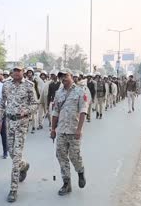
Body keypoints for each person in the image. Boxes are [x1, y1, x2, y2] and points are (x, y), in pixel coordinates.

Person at [0, 63, 38, 203]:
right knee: (10, 151)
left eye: (19, 70)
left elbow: (35, 104)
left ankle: (13, 189)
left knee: (15, 157)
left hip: (21, 123)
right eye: (14, 70)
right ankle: (24, 165)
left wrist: (26, 111)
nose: (16, 73)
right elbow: (2, 103)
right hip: (9, 123)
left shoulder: (29, 85)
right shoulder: (6, 85)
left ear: (23, 72)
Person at [51, 68, 87, 196]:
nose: (63, 78)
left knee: (74, 156)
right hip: (61, 130)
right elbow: (55, 111)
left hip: (73, 130)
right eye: (61, 76)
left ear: (71, 76)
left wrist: (79, 129)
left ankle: (80, 171)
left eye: (65, 75)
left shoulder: (80, 91)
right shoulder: (58, 93)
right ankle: (66, 183)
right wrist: (52, 129)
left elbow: (83, 111)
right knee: (61, 156)